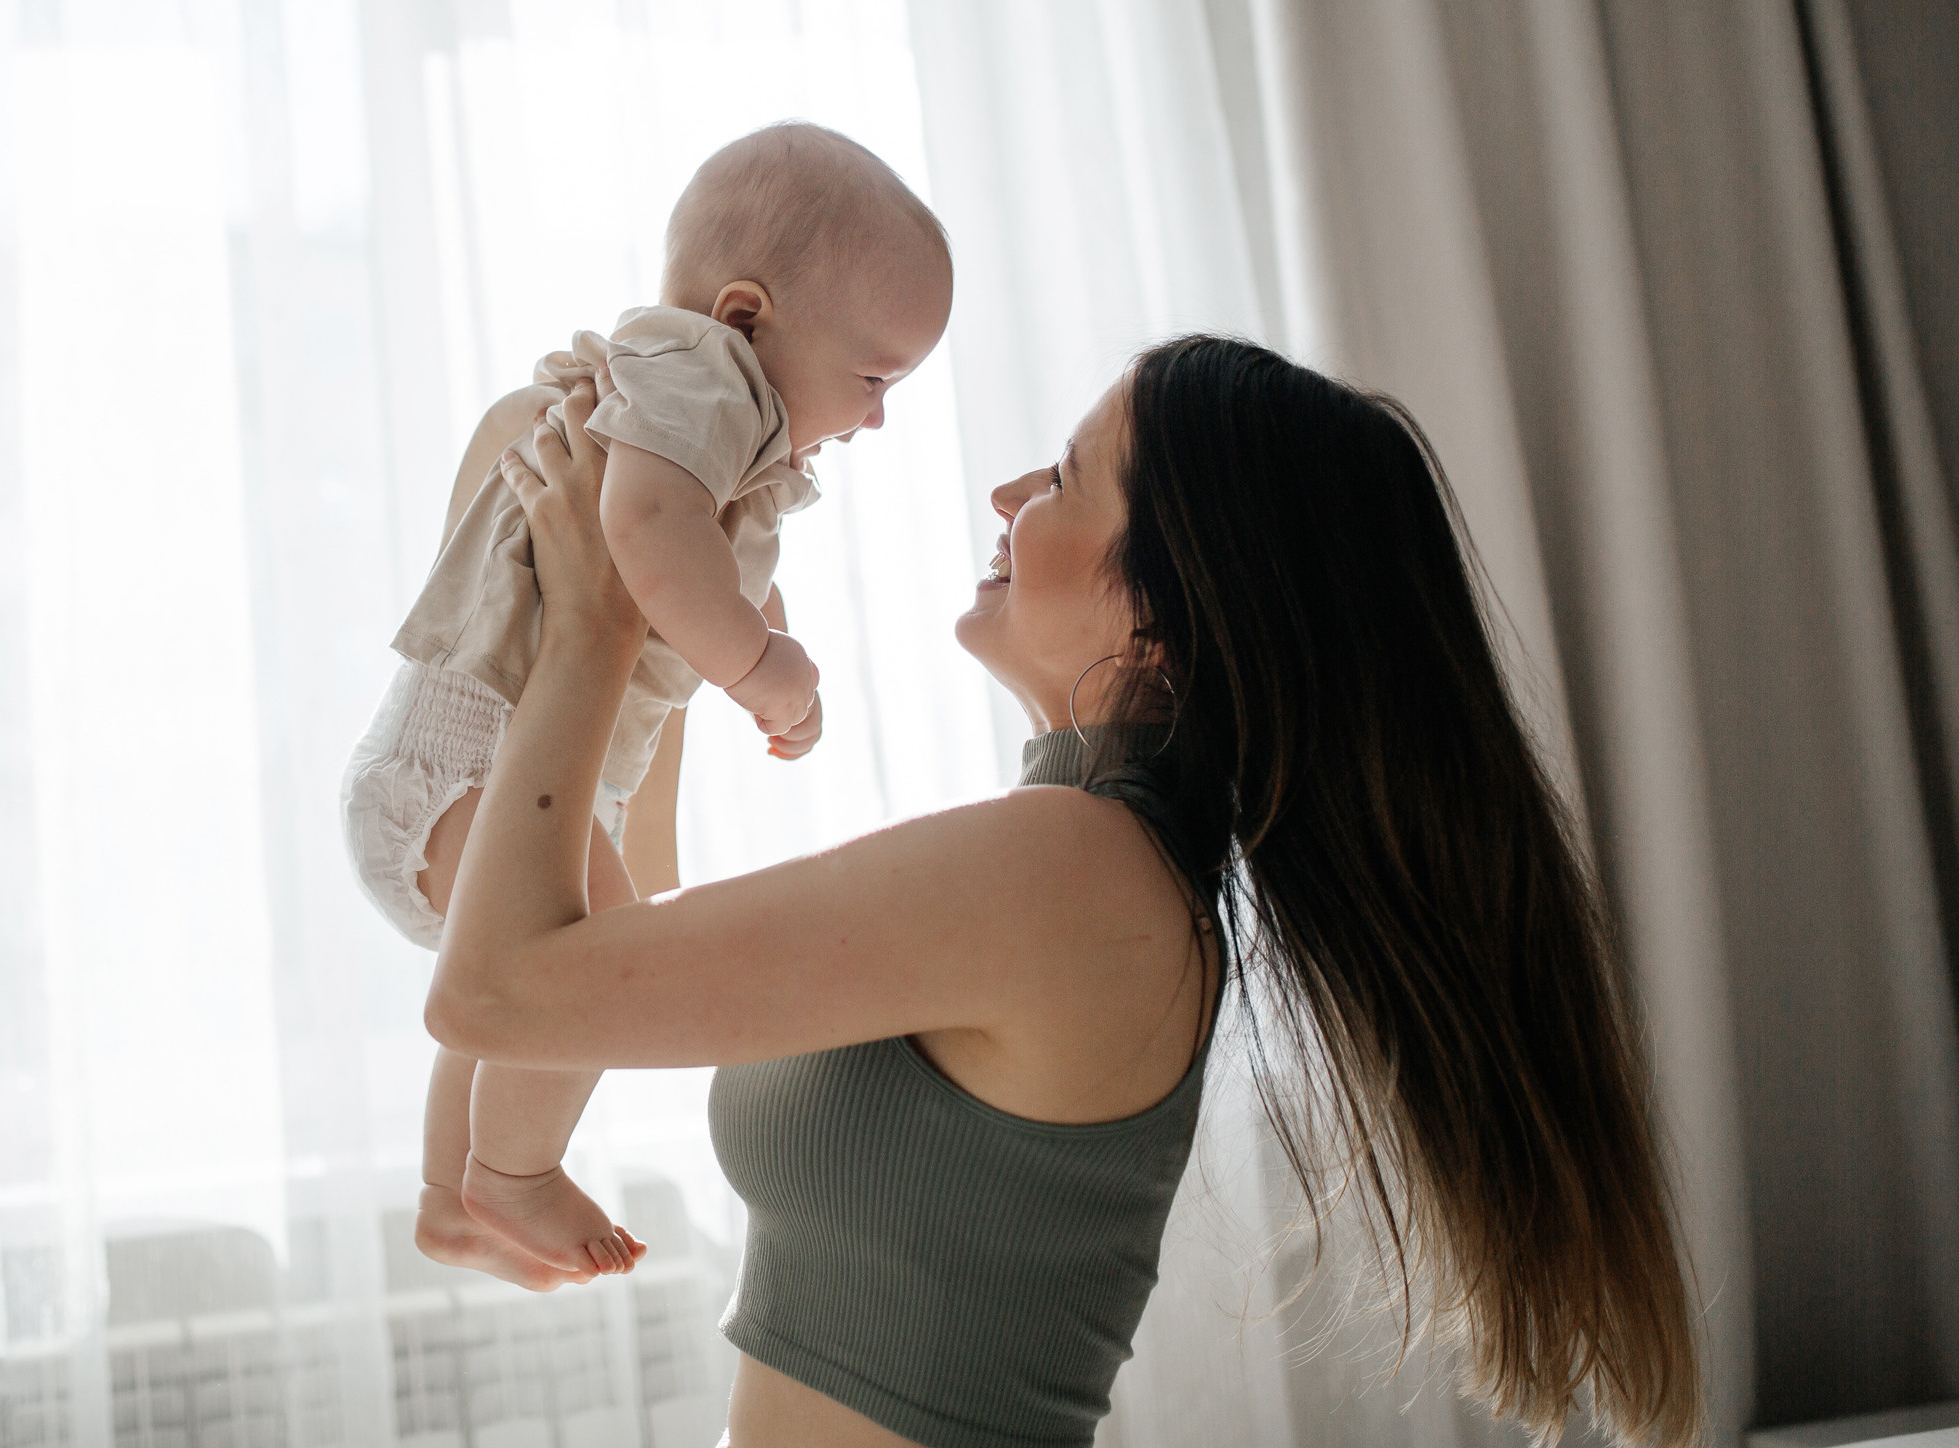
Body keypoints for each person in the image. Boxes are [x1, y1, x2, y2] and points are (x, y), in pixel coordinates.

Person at [425, 337, 1703, 1448]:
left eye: (1067, 475)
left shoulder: (1075, 873)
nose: (1007, 493)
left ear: (1156, 618)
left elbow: (498, 992)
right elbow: (613, 950)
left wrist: (592, 625)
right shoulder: (1091, 870)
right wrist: (649, 634)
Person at [340, 121, 954, 1287]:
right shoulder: (698, 375)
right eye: (875, 377)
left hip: (498, 776)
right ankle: (510, 1173)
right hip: (468, 766)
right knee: (591, 971)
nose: (877, 416)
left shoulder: (702, 405)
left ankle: (447, 1199)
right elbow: (646, 540)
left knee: (510, 991)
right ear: (744, 316)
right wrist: (765, 665)